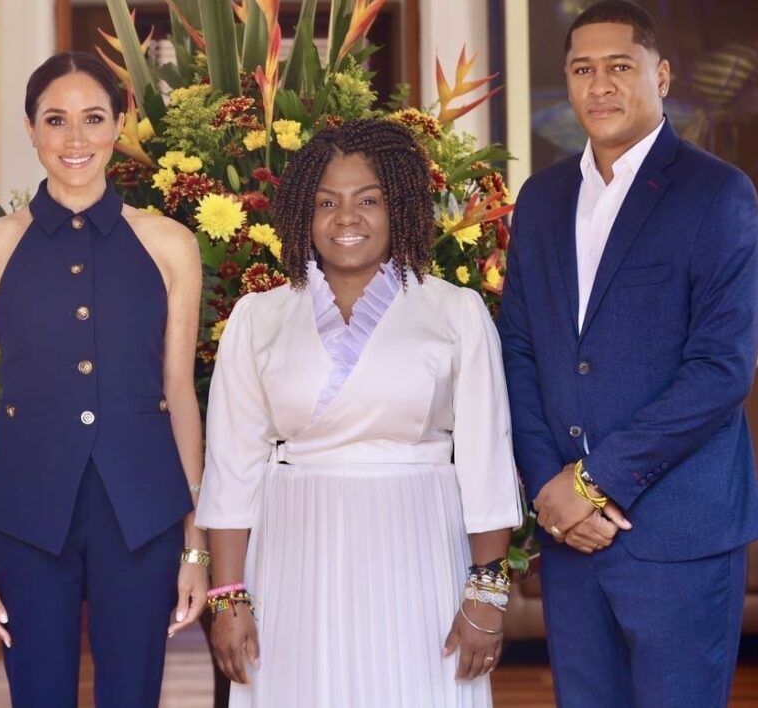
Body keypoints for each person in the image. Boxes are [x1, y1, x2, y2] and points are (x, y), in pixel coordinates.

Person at [197, 119, 522, 707]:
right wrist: (228, 595)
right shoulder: (258, 316)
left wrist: (487, 592)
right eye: (327, 202)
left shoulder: (456, 311)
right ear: (303, 212)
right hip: (294, 555)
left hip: (418, 547)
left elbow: (487, 461)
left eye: (367, 200)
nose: (347, 218)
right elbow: (230, 467)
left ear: (398, 207)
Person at [497, 0, 758, 706]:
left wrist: (591, 484)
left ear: (663, 75)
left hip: (676, 532)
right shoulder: (541, 200)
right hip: (569, 536)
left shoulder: (719, 195)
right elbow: (518, 351)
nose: (601, 85)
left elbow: (721, 370)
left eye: (621, 66)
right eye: (583, 69)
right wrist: (550, 489)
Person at [0, 51, 209, 706]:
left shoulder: (169, 244)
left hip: (143, 513)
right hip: (24, 514)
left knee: (133, 696)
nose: (75, 140)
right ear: (31, 129)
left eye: (93, 119)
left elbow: (180, 395)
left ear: (119, 125)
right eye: (56, 120)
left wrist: (194, 546)